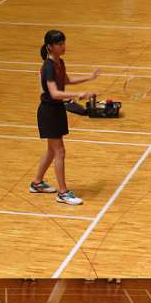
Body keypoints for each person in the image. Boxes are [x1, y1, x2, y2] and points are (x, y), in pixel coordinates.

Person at [31, 30, 100, 206]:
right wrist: (78, 94)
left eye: (63, 43)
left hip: (57, 110)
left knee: (52, 150)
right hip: (48, 112)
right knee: (60, 151)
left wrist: (89, 77)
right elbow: (54, 93)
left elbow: (66, 80)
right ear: (50, 47)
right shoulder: (48, 67)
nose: (63, 47)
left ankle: (37, 183)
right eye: (59, 44)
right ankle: (63, 193)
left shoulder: (59, 63)